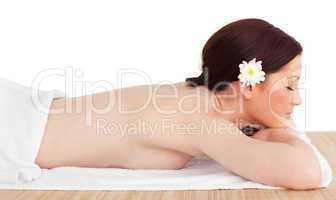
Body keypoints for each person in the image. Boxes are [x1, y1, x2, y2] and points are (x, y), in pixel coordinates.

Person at [34, 18, 321, 189]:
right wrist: (281, 129)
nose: (297, 99)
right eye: (289, 85)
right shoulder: (200, 118)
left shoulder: (199, 98)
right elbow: (307, 173)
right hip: (18, 132)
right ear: (246, 85)